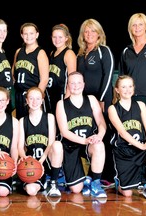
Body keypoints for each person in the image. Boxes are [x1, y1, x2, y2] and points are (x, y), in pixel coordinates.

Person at [55, 71, 107, 198]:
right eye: (72, 83)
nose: (76, 85)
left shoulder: (92, 100)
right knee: (76, 190)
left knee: (99, 145)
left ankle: (95, 183)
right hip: (70, 146)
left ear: (83, 84)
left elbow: (101, 123)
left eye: (79, 82)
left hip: (89, 143)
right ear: (68, 85)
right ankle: (67, 174)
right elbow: (64, 131)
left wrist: (99, 135)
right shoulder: (61, 104)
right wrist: (84, 141)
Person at [77, 18, 115, 183]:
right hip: (86, 103)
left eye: (93, 31)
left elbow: (108, 76)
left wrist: (101, 100)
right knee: (91, 136)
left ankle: (107, 177)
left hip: (102, 101)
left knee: (104, 136)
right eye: (86, 31)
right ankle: (92, 174)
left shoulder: (104, 51)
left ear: (99, 34)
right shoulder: (80, 54)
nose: (89, 34)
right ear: (82, 35)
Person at [108, 75, 146, 201]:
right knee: (127, 194)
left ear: (134, 88)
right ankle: (119, 183)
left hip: (139, 149)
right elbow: (123, 133)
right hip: (123, 152)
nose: (127, 89)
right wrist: (141, 145)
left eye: (130, 86)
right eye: (123, 87)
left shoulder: (140, 105)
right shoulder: (113, 109)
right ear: (117, 90)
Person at [18, 87, 63, 197]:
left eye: (38, 99)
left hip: (46, 159)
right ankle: (42, 181)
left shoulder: (49, 117)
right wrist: (25, 158)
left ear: (42, 100)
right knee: (31, 191)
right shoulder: (22, 121)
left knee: (57, 145)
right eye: (31, 98)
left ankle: (53, 182)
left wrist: (41, 162)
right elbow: (20, 147)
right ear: (27, 100)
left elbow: (51, 142)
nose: (34, 102)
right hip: (31, 163)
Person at [119, 13, 146, 134]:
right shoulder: (126, 51)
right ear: (130, 28)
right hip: (131, 98)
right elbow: (122, 77)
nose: (137, 27)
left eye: (140, 24)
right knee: (135, 133)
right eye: (134, 25)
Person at [12, 22, 49, 119]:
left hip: (32, 96)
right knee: (21, 123)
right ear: (22, 35)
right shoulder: (18, 51)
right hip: (19, 95)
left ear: (37, 34)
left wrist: (36, 99)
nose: (28, 36)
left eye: (31, 33)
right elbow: (13, 73)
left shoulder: (40, 53)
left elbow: (44, 80)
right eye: (25, 34)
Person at [46, 23, 77, 115]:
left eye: (60, 37)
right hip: (51, 93)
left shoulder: (69, 53)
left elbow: (72, 78)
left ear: (66, 38)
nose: (57, 40)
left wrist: (67, 98)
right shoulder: (52, 53)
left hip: (62, 94)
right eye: (54, 37)